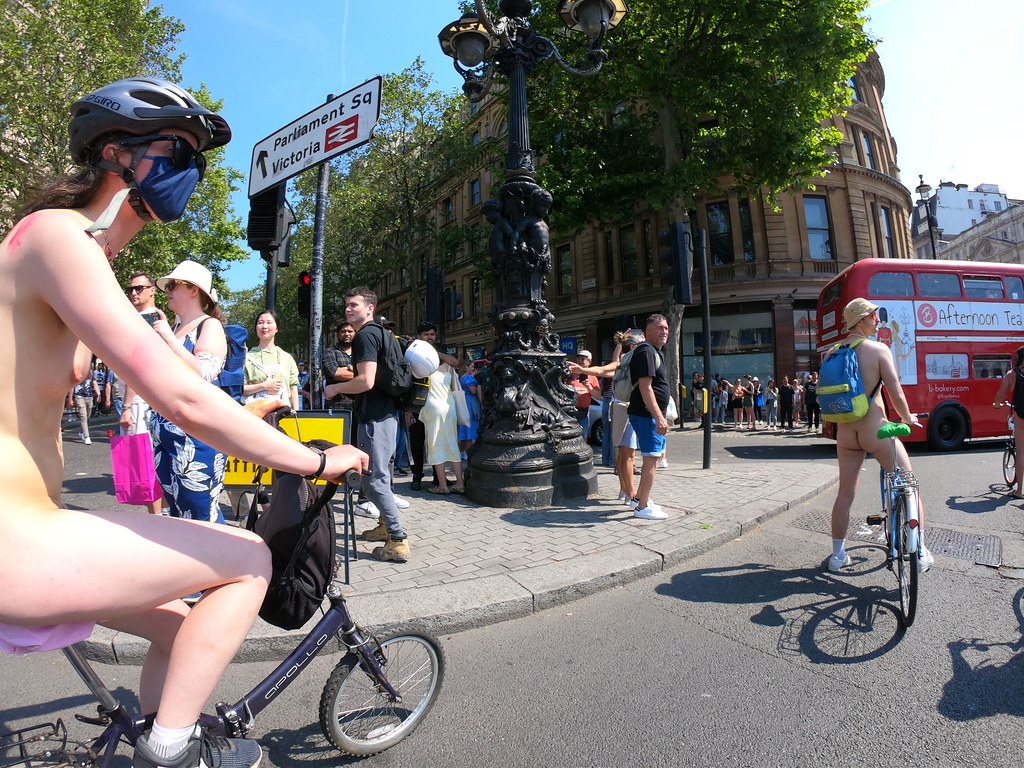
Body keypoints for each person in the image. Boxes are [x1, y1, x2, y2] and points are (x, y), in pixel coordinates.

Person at [0, 77, 366, 768]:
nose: (191, 171)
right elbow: (184, 399)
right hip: (16, 538)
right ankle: (175, 749)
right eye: (178, 151)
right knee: (249, 560)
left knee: (183, 628)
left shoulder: (84, 252)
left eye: (197, 158)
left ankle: (156, 735)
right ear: (116, 153)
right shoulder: (56, 236)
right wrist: (315, 461)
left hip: (30, 528)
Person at [827, 298, 932, 573]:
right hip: (877, 429)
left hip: (846, 433)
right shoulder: (877, 350)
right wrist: (908, 418)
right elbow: (896, 392)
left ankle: (837, 556)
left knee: (845, 494)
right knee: (909, 486)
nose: (877, 320)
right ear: (861, 320)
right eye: (873, 316)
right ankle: (919, 550)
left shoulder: (831, 352)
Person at [323, 287, 411, 562]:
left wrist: (335, 390)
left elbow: (366, 381)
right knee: (378, 475)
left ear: (370, 308)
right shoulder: (385, 334)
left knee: (373, 480)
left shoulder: (365, 336)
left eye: (354, 305)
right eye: (347, 305)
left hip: (375, 417)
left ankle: (397, 539)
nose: (348, 309)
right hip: (386, 415)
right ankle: (386, 525)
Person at [149, 260, 231, 523]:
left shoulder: (209, 326)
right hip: (167, 435)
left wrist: (168, 339)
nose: (168, 290)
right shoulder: (173, 328)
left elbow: (204, 373)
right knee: (179, 514)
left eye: (174, 285)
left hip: (196, 438)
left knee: (200, 513)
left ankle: (222, 564)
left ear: (194, 290)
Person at [627, 314, 671, 521]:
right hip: (647, 416)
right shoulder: (646, 351)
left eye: (667, 329)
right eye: (660, 328)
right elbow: (646, 388)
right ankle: (642, 508)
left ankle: (642, 499)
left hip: (649, 415)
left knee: (651, 460)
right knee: (651, 460)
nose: (664, 331)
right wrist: (659, 418)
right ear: (648, 331)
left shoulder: (653, 352)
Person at [242, 310, 300, 412]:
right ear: (256, 328)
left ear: (277, 328)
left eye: (269, 322)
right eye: (260, 323)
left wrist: (297, 413)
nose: (264, 326)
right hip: (256, 417)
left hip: (284, 415)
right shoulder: (246, 358)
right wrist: (264, 386)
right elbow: (240, 389)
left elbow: (293, 388)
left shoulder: (287, 358)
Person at [993, 345, 1024, 499]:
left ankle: (1019, 491)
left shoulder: (1013, 374)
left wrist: (997, 404)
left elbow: (1000, 394)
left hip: (1021, 415)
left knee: (1021, 453)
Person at [67, 360, 100, 444]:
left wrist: (98, 394)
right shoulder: (77, 372)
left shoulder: (91, 373)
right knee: (83, 416)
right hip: (79, 396)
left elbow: (95, 384)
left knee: (88, 416)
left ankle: (82, 432)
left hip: (89, 397)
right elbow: (72, 386)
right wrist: (70, 398)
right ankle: (87, 436)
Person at [457, 360, 482, 460]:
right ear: (466, 367)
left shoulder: (462, 377)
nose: (473, 369)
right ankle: (467, 452)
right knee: (469, 430)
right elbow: (473, 390)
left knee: (465, 430)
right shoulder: (467, 377)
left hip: (465, 403)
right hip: (470, 404)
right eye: (471, 367)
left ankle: (461, 452)